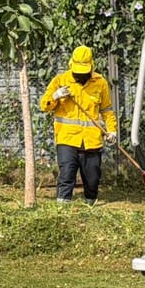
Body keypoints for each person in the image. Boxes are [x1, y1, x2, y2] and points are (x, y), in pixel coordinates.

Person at [40, 45, 118, 206]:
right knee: (67, 172)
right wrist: (55, 96)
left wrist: (112, 130)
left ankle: (89, 204)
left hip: (92, 140)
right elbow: (44, 105)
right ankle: (62, 208)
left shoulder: (100, 83)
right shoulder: (61, 81)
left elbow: (107, 110)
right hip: (67, 138)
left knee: (92, 177)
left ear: (91, 66)